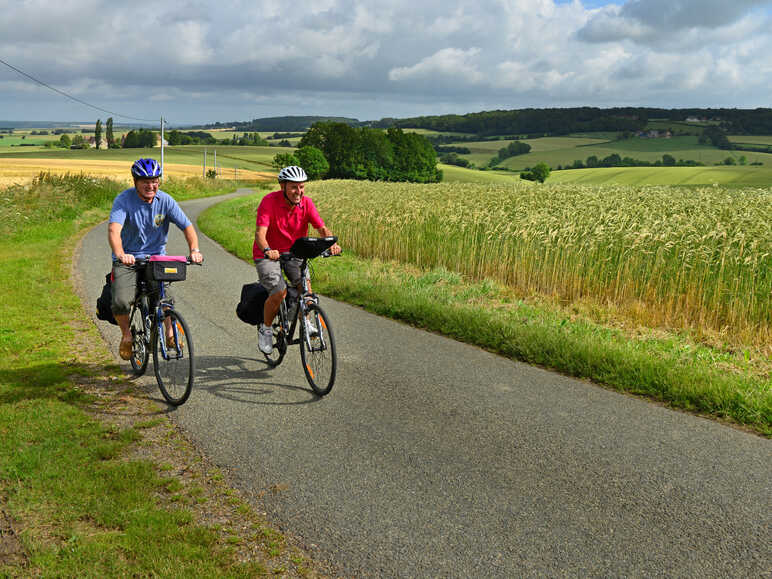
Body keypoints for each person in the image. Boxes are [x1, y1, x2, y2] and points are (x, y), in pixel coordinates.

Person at [108, 158, 204, 360]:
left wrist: (194, 249)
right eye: (145, 181)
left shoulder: (166, 201)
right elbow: (114, 230)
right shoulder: (123, 200)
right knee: (120, 301)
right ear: (135, 182)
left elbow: (187, 227)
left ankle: (170, 333)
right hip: (128, 259)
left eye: (154, 180)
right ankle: (126, 336)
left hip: (156, 259)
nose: (150, 185)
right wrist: (120, 254)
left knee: (165, 298)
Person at [254, 165, 341, 354]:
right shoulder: (269, 202)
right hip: (269, 254)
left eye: (301, 187)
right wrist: (268, 250)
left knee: (306, 292)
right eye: (294, 187)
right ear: (282, 186)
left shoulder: (307, 203)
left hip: (295, 253)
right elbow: (260, 234)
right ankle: (266, 329)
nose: (298, 191)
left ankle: (307, 322)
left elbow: (322, 228)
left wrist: (330, 243)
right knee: (279, 292)